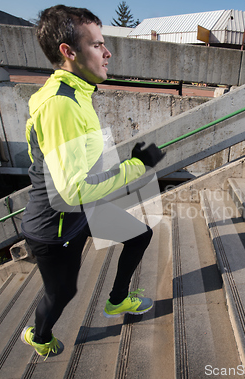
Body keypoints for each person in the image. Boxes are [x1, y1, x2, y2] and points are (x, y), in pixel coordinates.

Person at [19, 5, 165, 359]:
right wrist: (136, 166)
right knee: (63, 293)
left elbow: (76, 164)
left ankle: (116, 300)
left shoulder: (77, 93)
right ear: (68, 52)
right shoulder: (61, 105)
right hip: (53, 228)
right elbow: (74, 189)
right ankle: (38, 336)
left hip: (78, 211)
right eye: (97, 44)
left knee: (140, 234)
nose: (107, 52)